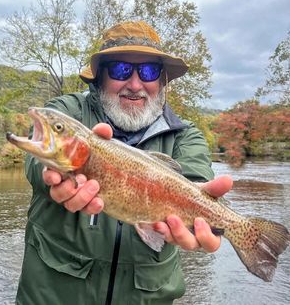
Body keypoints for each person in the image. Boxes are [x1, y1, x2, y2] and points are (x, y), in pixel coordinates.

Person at [16, 21, 233, 305]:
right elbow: (36, 162)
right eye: (120, 69)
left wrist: (211, 223)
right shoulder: (68, 112)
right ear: (101, 76)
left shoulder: (186, 135)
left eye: (148, 71)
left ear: (162, 80)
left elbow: (195, 183)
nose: (134, 83)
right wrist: (52, 170)